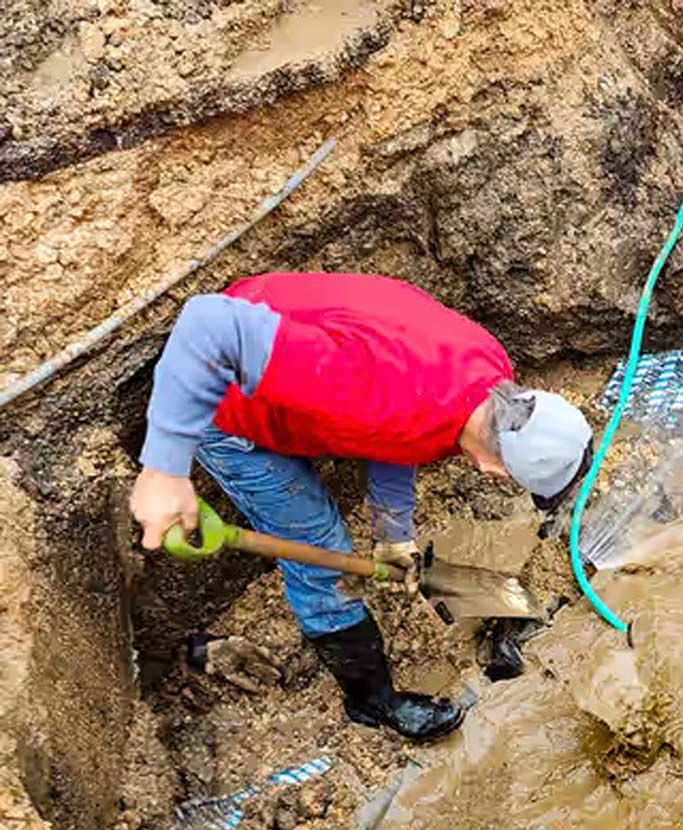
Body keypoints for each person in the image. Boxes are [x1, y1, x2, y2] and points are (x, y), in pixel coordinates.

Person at [130, 272, 592, 743]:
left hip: (281, 337)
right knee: (318, 548)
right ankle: (370, 701)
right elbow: (207, 324)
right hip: (223, 402)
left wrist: (394, 533)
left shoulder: (487, 373)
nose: (500, 479)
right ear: (498, 468)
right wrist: (164, 468)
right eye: (511, 478)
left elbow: (403, 433)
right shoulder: (367, 383)